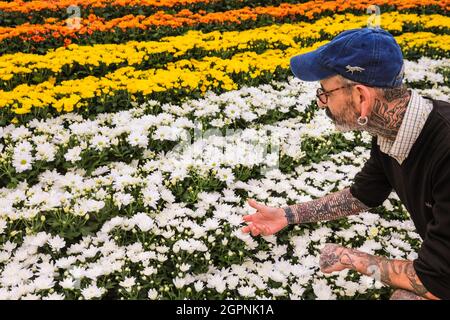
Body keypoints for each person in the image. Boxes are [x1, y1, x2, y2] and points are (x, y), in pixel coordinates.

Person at [241, 27, 450, 300]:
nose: (322, 103)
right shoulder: (391, 130)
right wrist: (287, 215)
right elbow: (362, 196)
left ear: (361, 97)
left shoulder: (445, 150)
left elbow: (434, 282)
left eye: (325, 92)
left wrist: (349, 257)